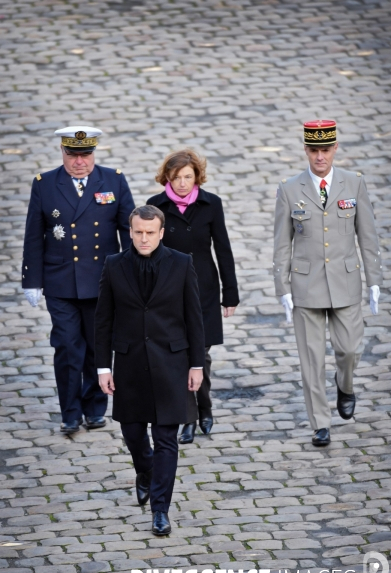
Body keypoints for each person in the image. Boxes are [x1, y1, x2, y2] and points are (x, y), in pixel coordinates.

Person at [95, 205, 205, 535]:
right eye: (138, 232)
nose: (143, 238)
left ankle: (160, 510)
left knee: (166, 439)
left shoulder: (182, 264)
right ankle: (145, 468)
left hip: (172, 364)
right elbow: (103, 321)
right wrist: (103, 367)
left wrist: (196, 364)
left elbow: (193, 318)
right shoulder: (114, 265)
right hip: (129, 365)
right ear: (130, 232)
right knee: (132, 433)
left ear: (161, 232)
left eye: (150, 233)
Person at [273, 120, 382, 447]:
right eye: (314, 150)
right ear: (306, 150)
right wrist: (283, 287)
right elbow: (281, 243)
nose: (320, 156)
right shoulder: (290, 188)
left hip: (346, 282)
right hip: (306, 286)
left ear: (335, 148)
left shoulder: (354, 184)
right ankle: (320, 423)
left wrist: (374, 280)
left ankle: (345, 385)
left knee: (350, 348)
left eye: (326, 149)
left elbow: (368, 235)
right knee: (311, 358)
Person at [22, 125, 135, 434]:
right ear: (63, 152)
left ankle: (95, 408)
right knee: (69, 347)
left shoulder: (113, 179)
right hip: (61, 282)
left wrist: (133, 270)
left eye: (85, 155)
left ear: (94, 153)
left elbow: (129, 229)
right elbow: (34, 234)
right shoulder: (45, 184)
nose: (80, 162)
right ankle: (70, 412)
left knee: (99, 347)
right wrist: (31, 279)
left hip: (101, 280)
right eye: (73, 155)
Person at [147, 149, 239, 444]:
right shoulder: (156, 206)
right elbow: (148, 252)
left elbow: (223, 250)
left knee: (202, 355)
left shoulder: (211, 204)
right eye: (177, 178)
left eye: (188, 177)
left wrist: (231, 295)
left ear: (197, 176)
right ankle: (188, 418)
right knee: (180, 355)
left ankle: (205, 406)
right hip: (169, 292)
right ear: (167, 178)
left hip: (205, 290)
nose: (183, 183)